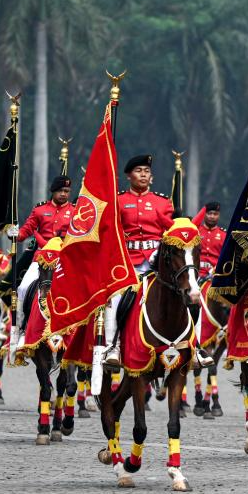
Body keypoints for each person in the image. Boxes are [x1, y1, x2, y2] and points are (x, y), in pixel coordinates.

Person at [100, 155, 174, 366]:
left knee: (186, 294)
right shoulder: (118, 201)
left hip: (157, 262)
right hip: (127, 262)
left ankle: (193, 346)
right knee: (114, 299)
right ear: (128, 176)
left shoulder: (163, 202)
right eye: (138, 171)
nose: (143, 174)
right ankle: (112, 347)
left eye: (146, 171)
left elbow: (171, 231)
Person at [10, 175, 74, 332]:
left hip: (64, 260)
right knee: (23, 288)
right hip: (41, 259)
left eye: (66, 191)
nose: (63, 194)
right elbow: (26, 230)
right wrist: (15, 234)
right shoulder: (40, 210)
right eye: (60, 190)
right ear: (53, 191)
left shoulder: (74, 212)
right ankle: (20, 329)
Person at [195, 201, 226, 279]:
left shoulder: (224, 235)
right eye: (209, 213)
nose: (212, 216)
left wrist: (215, 271)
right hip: (195, 273)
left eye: (215, 214)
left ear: (219, 215)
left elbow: (225, 257)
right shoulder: (196, 231)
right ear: (204, 214)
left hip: (215, 276)